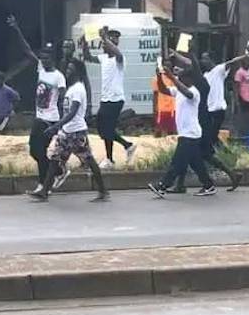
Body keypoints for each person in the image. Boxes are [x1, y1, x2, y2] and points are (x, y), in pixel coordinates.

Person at [28, 60, 109, 202]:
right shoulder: (71, 88)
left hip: (77, 133)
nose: (67, 71)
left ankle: (103, 191)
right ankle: (44, 192)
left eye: (71, 69)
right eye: (68, 68)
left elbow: (72, 112)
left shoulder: (78, 89)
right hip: (67, 132)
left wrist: (55, 126)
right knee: (54, 160)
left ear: (78, 72)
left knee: (89, 160)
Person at [8, 15, 68, 192]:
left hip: (50, 119)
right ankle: (57, 171)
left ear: (53, 59)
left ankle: (44, 184)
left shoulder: (58, 77)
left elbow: (63, 100)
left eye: (47, 58)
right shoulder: (41, 68)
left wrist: (61, 123)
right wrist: (16, 28)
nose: (44, 61)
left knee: (40, 151)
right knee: (34, 151)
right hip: (39, 117)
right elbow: (27, 50)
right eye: (42, 58)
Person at [169, 50, 242, 193]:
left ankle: (230, 175)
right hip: (199, 121)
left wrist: (178, 55)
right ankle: (181, 184)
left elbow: (191, 64)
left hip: (201, 122)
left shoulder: (200, 84)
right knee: (193, 154)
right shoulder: (203, 81)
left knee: (201, 154)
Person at [148, 65, 216, 198]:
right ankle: (209, 185)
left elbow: (187, 93)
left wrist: (172, 77)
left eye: (183, 77)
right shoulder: (178, 90)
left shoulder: (194, 92)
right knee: (196, 163)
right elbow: (163, 90)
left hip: (190, 134)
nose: (180, 79)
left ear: (190, 79)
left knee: (177, 162)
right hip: (187, 133)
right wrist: (159, 77)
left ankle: (162, 185)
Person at [82, 28, 137, 169]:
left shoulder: (120, 59)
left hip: (115, 100)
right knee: (103, 128)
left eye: (108, 42)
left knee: (106, 129)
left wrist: (105, 37)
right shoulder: (103, 58)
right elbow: (88, 57)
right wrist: (84, 44)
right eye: (105, 42)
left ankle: (112, 158)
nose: (104, 45)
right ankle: (124, 148)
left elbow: (117, 53)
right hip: (105, 99)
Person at [233, 58, 249, 136]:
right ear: (242, 62)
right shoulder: (239, 72)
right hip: (242, 97)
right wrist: (236, 101)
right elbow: (236, 87)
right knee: (242, 116)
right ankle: (240, 134)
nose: (248, 63)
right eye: (247, 62)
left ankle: (247, 132)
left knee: (248, 117)